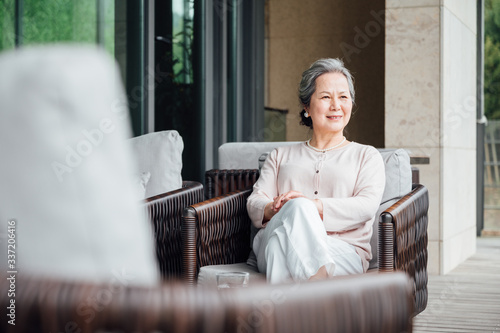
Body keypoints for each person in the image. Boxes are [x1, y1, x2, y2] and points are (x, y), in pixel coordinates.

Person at [247, 58, 386, 283]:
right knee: (291, 218)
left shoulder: (366, 156)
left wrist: (311, 208)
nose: (336, 105)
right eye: (325, 97)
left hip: (342, 250)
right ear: (307, 108)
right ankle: (319, 296)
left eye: (343, 97)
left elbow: (366, 207)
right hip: (275, 237)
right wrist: (277, 208)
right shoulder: (280, 155)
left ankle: (289, 313)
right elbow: (254, 203)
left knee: (279, 246)